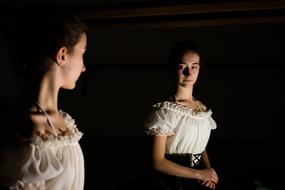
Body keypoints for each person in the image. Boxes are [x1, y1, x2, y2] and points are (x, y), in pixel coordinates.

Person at [0, 5, 87, 190]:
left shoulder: (65, 122)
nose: (83, 67)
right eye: (82, 53)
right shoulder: (30, 127)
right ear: (62, 55)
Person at [144, 41, 219, 190]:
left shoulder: (201, 108)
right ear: (173, 69)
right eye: (182, 67)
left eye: (194, 67)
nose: (189, 73)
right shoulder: (166, 112)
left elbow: (200, 147)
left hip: (199, 180)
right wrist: (199, 174)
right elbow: (158, 162)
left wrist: (209, 173)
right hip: (173, 183)